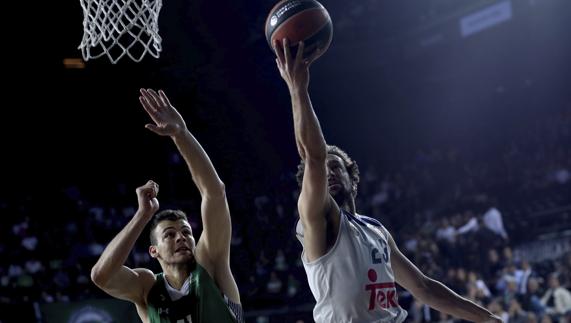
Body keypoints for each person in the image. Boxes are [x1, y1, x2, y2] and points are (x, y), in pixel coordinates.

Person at [273, 38, 504, 323]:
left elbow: (423, 287)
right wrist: (298, 88)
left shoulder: (375, 230)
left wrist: (489, 319)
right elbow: (314, 156)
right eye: (324, 170)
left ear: (352, 177)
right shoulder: (318, 219)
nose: (329, 173)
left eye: (337, 167)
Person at [91, 89, 243, 323]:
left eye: (186, 232)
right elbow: (101, 276)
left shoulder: (210, 262)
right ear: (154, 251)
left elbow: (214, 192)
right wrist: (142, 215)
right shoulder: (146, 288)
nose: (181, 238)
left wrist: (181, 134)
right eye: (170, 234)